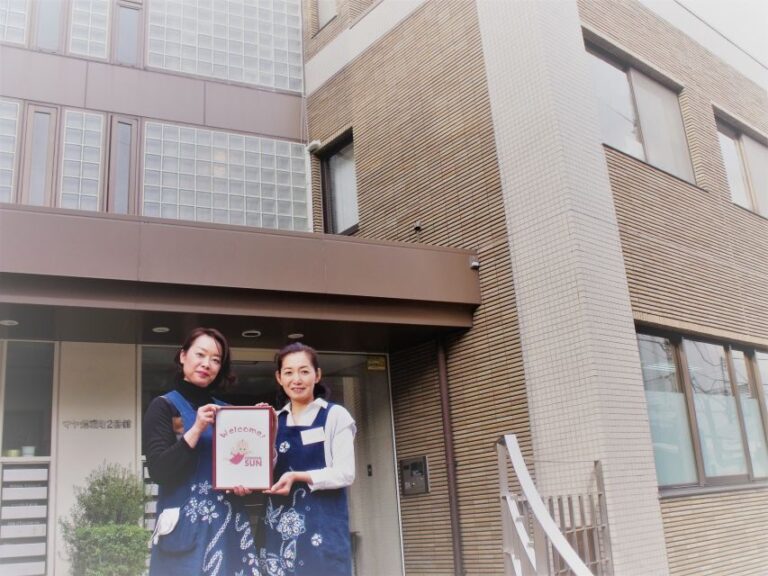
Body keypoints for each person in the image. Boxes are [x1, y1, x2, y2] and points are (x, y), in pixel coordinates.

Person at [143, 327, 261, 576]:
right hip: (185, 531)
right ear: (183, 356)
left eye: (216, 360)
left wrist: (245, 481)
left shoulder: (228, 412)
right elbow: (160, 471)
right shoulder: (163, 406)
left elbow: (241, 464)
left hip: (229, 528)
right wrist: (196, 428)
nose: (207, 364)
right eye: (200, 354)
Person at [258, 342, 356, 576]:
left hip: (322, 529)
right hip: (277, 531)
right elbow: (262, 472)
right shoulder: (274, 419)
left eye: (304, 371)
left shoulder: (335, 415)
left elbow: (345, 472)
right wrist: (260, 431)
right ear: (279, 378)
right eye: (289, 372)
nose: (297, 379)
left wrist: (297, 476)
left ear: (317, 375)